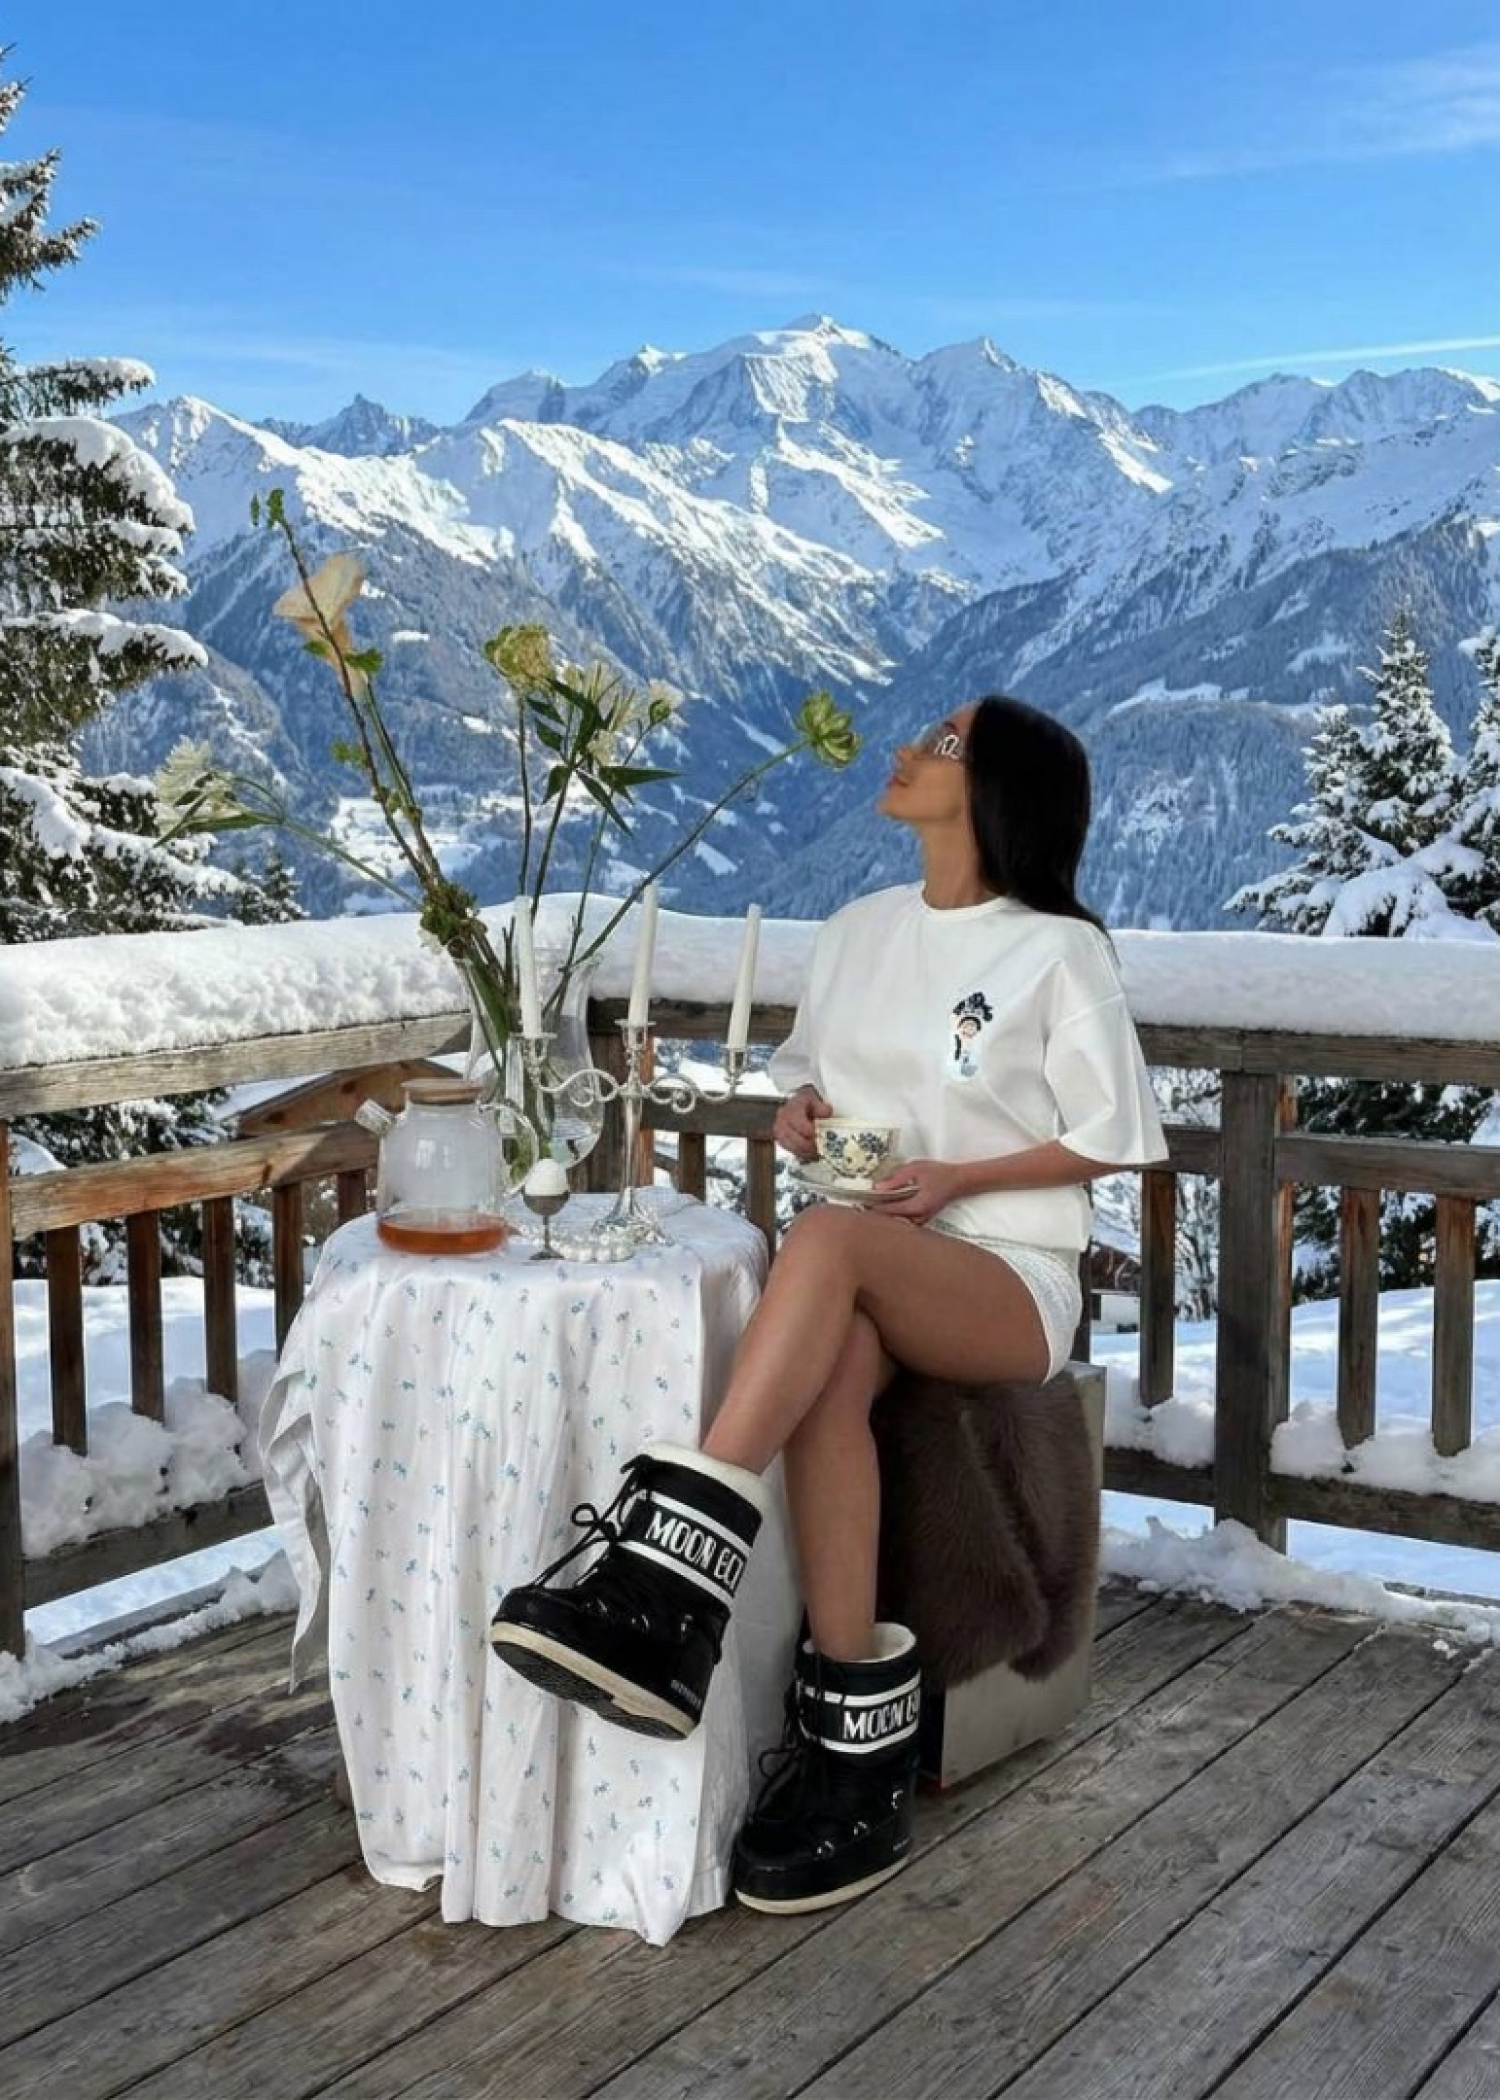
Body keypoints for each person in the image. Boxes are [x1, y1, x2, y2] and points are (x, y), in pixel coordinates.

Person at [491, 693, 1169, 1916]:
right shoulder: (858, 931)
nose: (906, 750)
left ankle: (668, 1584)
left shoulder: (1059, 952)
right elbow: (803, 1084)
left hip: (1005, 1272)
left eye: (943, 744)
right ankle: (855, 1768)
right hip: (867, 1254)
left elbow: (1115, 1135)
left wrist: (960, 1176)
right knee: (832, 1376)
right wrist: (795, 1116)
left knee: (825, 1240)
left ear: (996, 790)